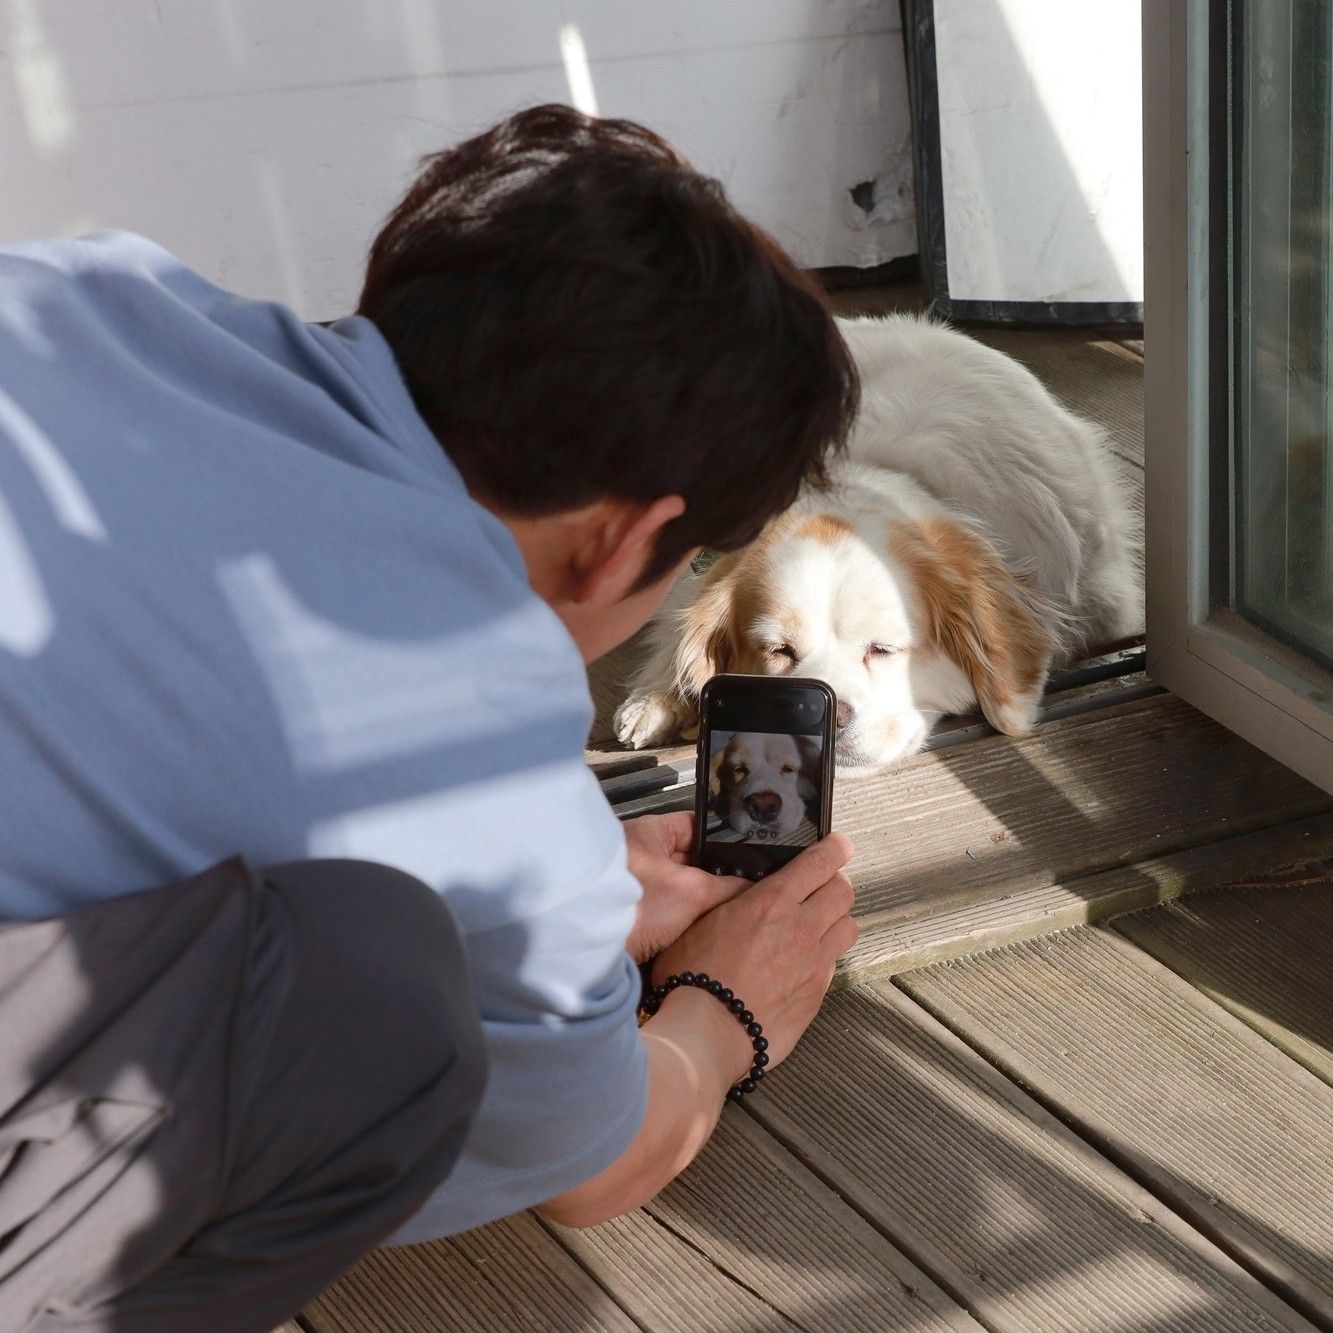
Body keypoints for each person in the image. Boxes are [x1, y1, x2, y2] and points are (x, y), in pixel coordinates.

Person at [0, 103, 859, 1329]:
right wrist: (722, 1019)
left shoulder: (96, 287)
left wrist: (538, 898)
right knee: (381, 1005)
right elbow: (596, 1162)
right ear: (624, 541)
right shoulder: (474, 714)